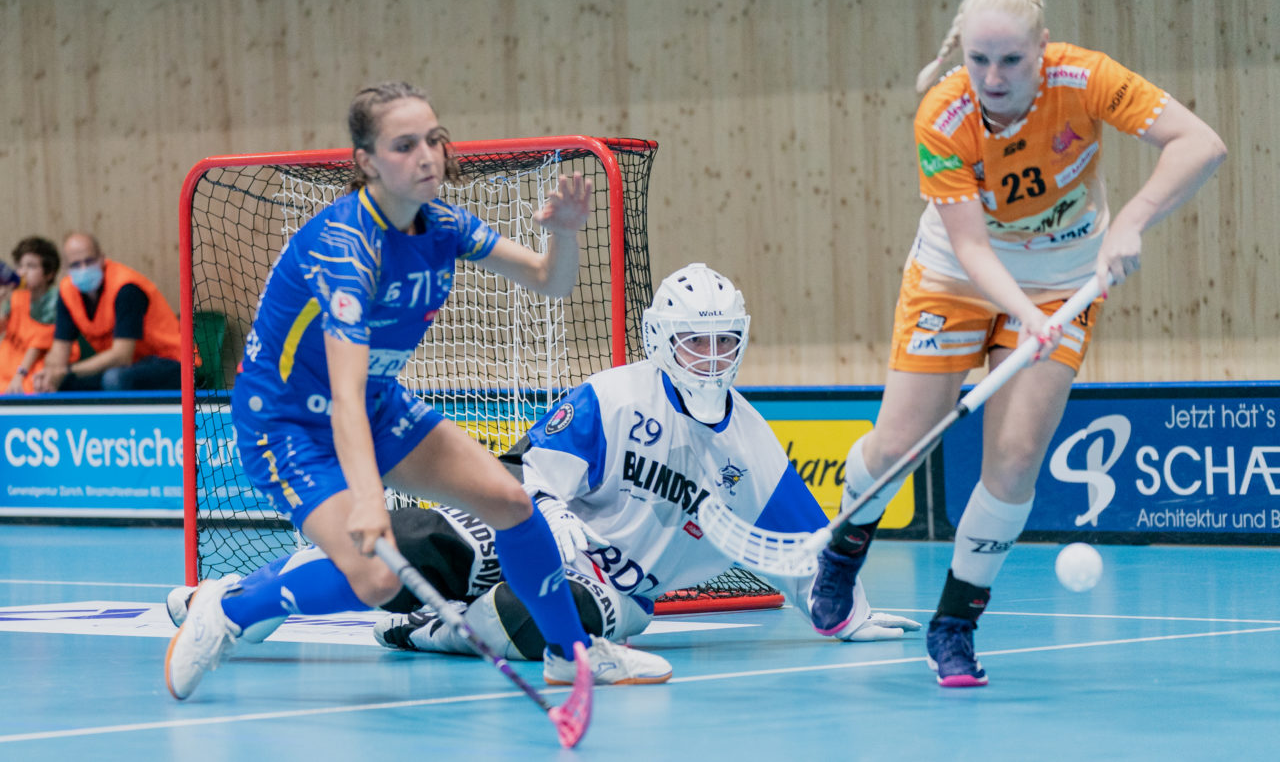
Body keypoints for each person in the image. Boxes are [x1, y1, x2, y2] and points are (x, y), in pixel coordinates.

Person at [164, 81, 671, 702]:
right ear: (366, 162)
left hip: (376, 405)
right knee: (375, 580)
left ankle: (572, 654)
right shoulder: (346, 248)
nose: (427, 155)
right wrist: (372, 501)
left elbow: (550, 281)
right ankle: (228, 610)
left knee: (511, 502)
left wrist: (563, 234)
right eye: (404, 145)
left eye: (434, 139)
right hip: (289, 425)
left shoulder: (445, 227)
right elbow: (342, 394)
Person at [807, 0, 1227, 687]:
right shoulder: (944, 114)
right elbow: (971, 248)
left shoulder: (1087, 77)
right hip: (956, 278)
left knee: (1013, 459)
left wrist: (1130, 219)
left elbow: (1201, 143)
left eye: (1011, 61)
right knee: (899, 443)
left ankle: (954, 627)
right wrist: (1022, 317)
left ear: (1043, 49)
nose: (994, 80)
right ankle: (840, 552)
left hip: (1064, 281)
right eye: (979, 61)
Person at [167, 264, 921, 661]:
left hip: (614, 594)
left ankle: (433, 630)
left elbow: (805, 563)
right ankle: (238, 601)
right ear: (662, 340)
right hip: (534, 529)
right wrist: (550, 539)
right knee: (414, 545)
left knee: (534, 620)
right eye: (698, 342)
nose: (713, 358)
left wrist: (846, 611)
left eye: (727, 341)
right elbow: (532, 480)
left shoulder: (755, 449)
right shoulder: (611, 397)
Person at [31, 232, 185, 392]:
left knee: (115, 378)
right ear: (66, 268)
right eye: (76, 265)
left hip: (173, 362)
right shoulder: (67, 291)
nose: (83, 269)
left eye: (89, 261)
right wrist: (51, 374)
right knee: (60, 383)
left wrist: (68, 371)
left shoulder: (126, 288)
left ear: (102, 258)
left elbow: (122, 356)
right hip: (132, 366)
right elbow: (59, 350)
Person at [0, 236, 76, 395]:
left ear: (49, 274)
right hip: (10, 362)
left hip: (38, 363)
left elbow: (37, 343)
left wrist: (19, 375)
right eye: (20, 266)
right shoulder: (17, 295)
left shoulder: (55, 299)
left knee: (27, 389)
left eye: (31, 266)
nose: (23, 272)